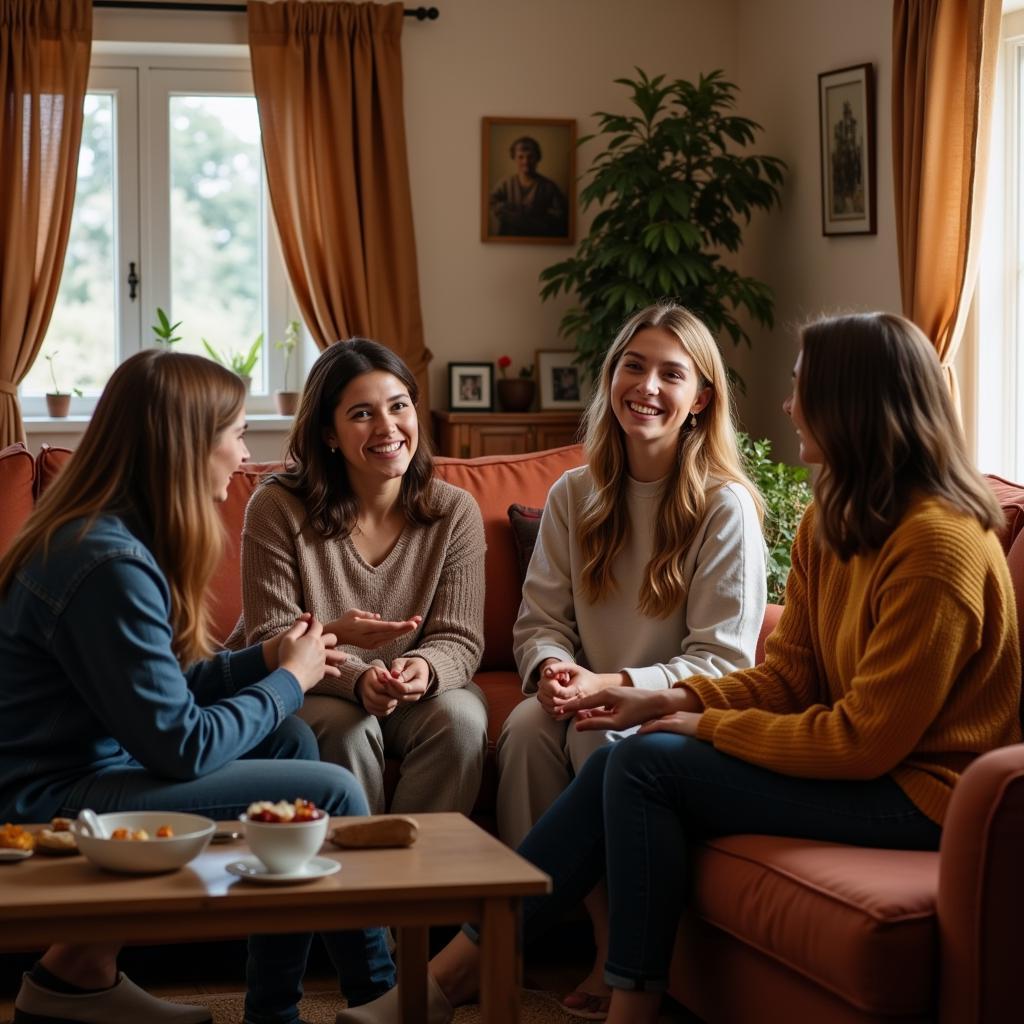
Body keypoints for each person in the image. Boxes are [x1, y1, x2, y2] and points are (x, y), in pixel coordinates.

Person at [337, 311, 1022, 1024]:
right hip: (868, 766)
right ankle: (494, 987)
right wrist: (661, 706)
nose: (788, 405)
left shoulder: (939, 545)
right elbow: (788, 679)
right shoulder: (833, 521)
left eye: (801, 388)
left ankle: (462, 985)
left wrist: (690, 721)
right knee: (629, 759)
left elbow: (865, 743)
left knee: (644, 764)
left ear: (854, 404)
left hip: (922, 795)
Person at [0, 350, 395, 1024]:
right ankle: (383, 998)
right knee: (327, 789)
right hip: (44, 798)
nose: (244, 455)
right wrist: (290, 679)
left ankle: (81, 977)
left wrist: (265, 656)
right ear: (185, 447)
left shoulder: (105, 536)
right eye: (238, 433)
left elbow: (160, 692)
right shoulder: (106, 563)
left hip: (75, 766)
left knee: (292, 741)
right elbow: (178, 744)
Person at [496, 302, 767, 1018]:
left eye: (671, 374)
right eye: (633, 365)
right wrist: (554, 671)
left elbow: (723, 662)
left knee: (595, 732)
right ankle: (580, 932)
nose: (646, 386)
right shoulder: (573, 493)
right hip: (583, 692)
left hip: (673, 710)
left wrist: (610, 685)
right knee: (525, 730)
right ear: (611, 376)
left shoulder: (724, 506)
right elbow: (538, 622)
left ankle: (612, 952)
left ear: (701, 399)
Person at [228, 339, 488, 816]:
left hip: (412, 692)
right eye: (363, 414)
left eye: (399, 406)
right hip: (315, 686)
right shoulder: (276, 507)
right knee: (348, 728)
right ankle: (359, 882)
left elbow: (460, 638)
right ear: (329, 432)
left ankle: (421, 882)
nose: (388, 428)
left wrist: (424, 671)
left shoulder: (455, 511)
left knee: (462, 721)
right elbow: (271, 634)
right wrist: (357, 677)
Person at [488, 135, 568, 238]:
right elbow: (490, 202)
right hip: (508, 240)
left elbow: (560, 215)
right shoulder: (505, 183)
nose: (525, 162)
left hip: (538, 240)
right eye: (520, 157)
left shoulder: (549, 186)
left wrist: (536, 222)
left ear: (537, 158)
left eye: (530, 157)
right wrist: (507, 213)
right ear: (514, 158)